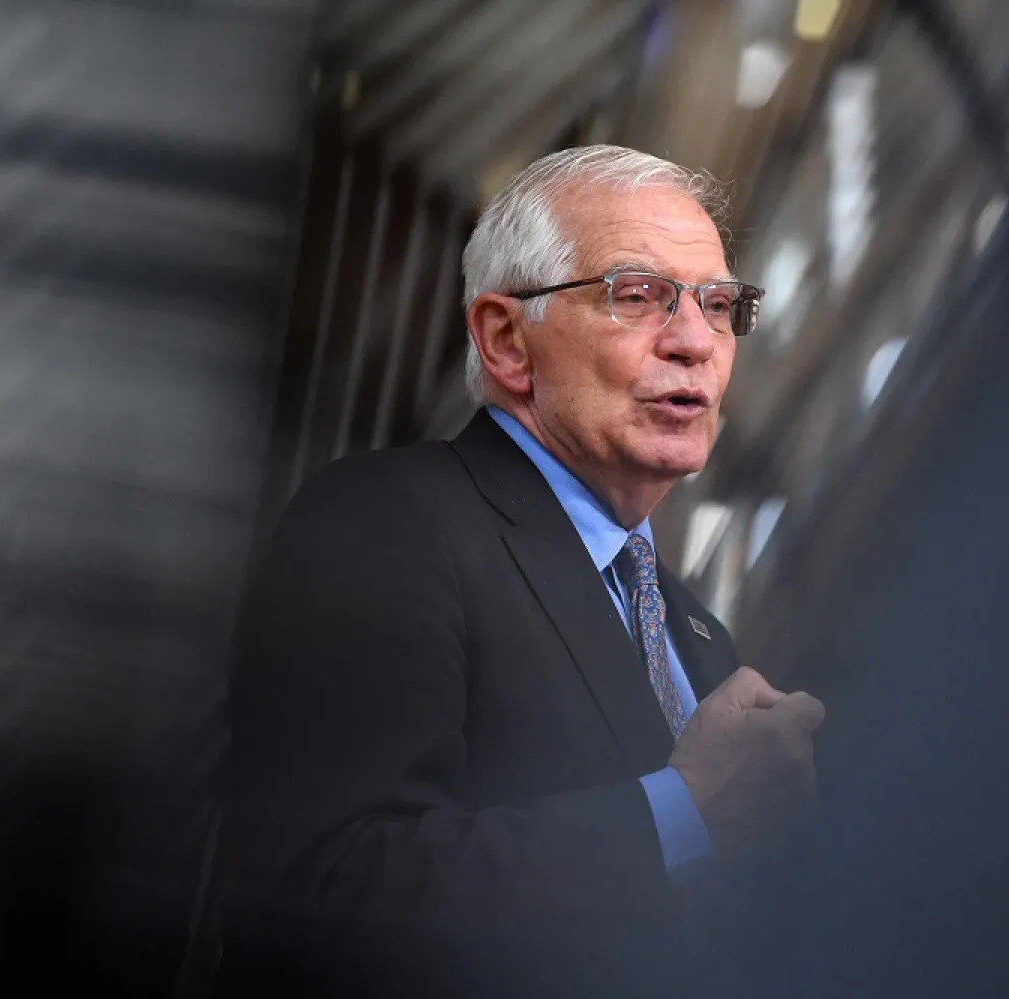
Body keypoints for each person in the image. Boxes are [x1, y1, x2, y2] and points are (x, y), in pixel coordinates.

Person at [219, 145, 826, 997]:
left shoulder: (697, 634)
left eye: (720, 304)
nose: (695, 341)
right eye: (639, 294)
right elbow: (325, 887)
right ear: (507, 339)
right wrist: (681, 814)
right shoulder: (388, 521)